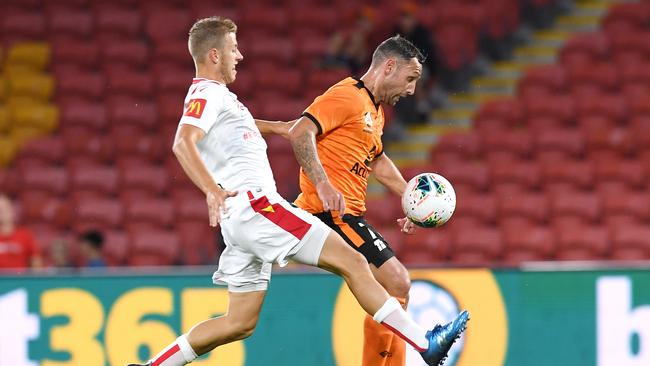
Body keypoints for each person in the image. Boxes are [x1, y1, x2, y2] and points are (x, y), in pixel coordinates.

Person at [128, 17, 468, 366]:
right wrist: (211, 190)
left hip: (243, 220)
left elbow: (240, 126)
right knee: (355, 262)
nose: (240, 56)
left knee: (238, 323)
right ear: (214, 55)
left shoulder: (224, 100)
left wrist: (277, 128)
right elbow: (183, 142)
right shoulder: (206, 93)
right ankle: (425, 345)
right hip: (256, 206)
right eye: (233, 48)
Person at [287, 35, 437, 366]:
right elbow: (300, 132)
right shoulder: (346, 96)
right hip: (330, 214)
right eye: (410, 79)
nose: (412, 90)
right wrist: (323, 184)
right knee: (397, 282)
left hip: (346, 216)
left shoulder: (375, 111)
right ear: (389, 67)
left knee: (394, 290)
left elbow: (377, 160)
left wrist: (411, 198)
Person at [0, 194, 43, 270]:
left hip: (20, 280)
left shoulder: (25, 235)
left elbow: (36, 261)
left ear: (12, 211)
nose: (2, 213)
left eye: (5, 209)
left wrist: (36, 279)